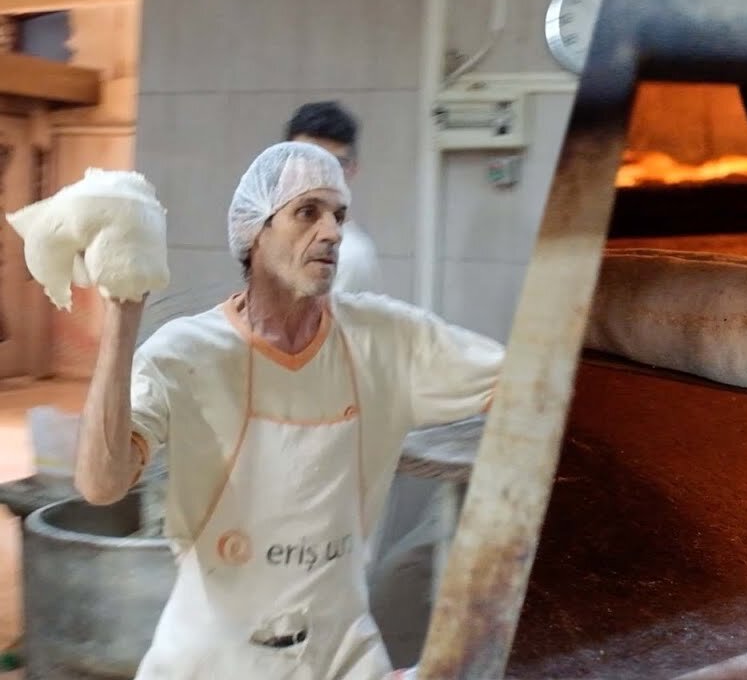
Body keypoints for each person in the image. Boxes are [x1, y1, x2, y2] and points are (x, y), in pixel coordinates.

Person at [73, 141, 504, 678]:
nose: (332, 232)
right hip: (213, 654)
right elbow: (101, 484)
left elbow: (530, 380)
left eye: (338, 215)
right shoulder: (186, 353)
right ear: (255, 231)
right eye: (307, 213)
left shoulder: (387, 339)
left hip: (338, 650)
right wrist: (121, 319)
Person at [284, 101, 381, 294]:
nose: (318, 174)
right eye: (306, 159)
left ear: (352, 169)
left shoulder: (348, 256)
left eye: (333, 163)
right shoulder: (275, 233)